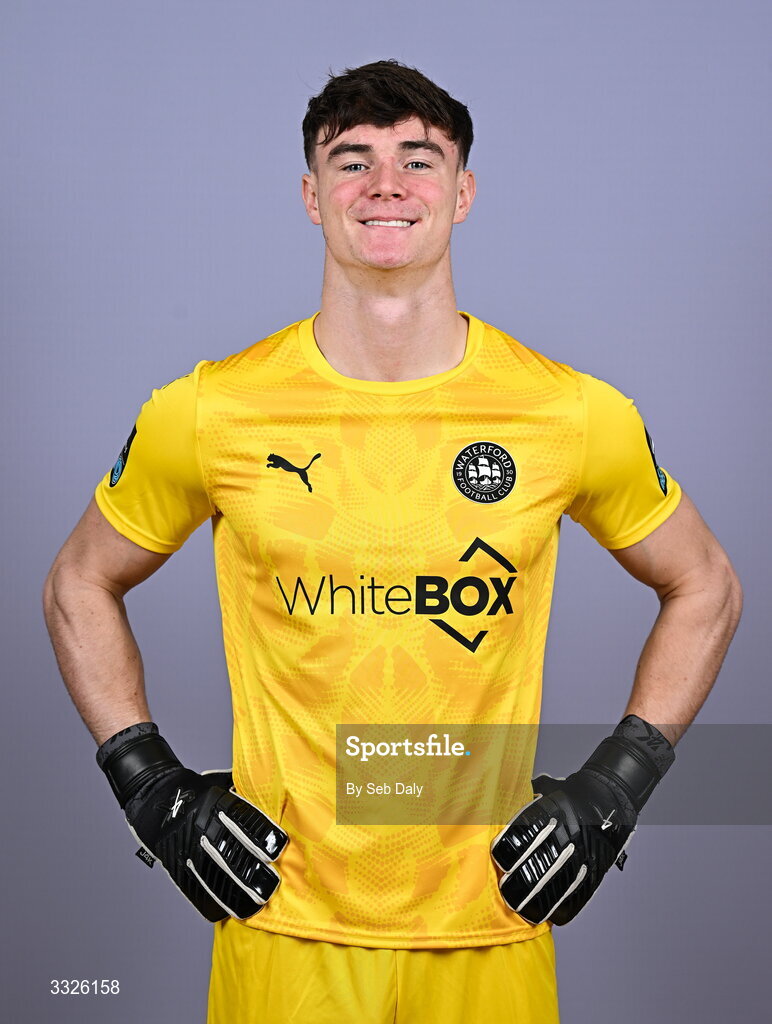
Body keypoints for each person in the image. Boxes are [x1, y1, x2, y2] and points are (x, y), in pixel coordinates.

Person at [42, 59, 742, 1023]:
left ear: (462, 194)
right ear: (310, 195)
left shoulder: (567, 413)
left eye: (419, 159)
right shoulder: (213, 410)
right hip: (286, 930)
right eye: (351, 161)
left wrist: (616, 785)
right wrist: (147, 785)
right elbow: (79, 579)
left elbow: (705, 584)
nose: (385, 185)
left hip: (491, 919)